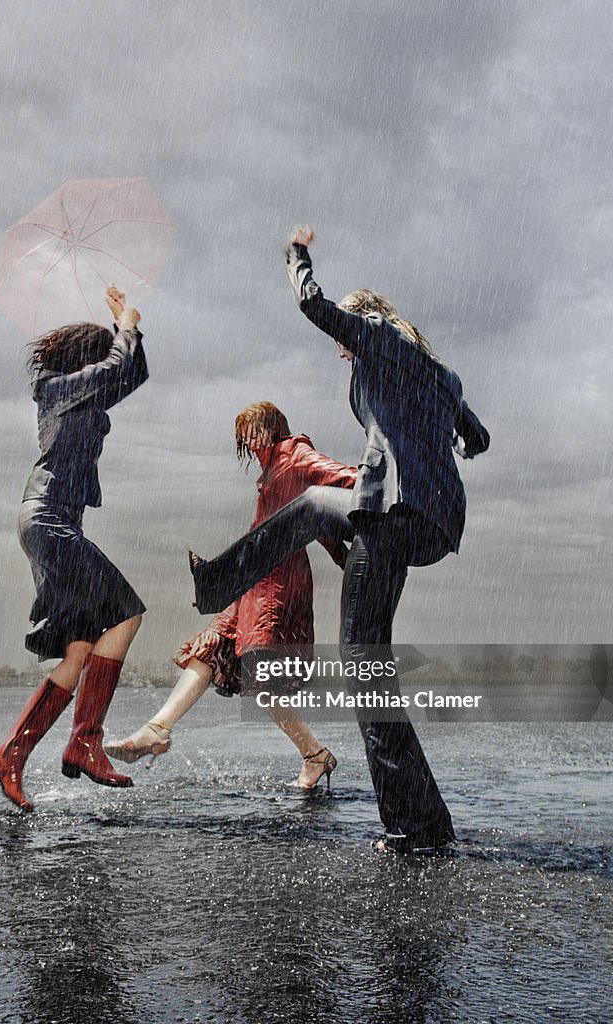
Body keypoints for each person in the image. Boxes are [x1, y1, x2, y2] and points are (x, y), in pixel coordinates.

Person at [190, 228, 489, 853]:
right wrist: (446, 430)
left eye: (348, 339)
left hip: (390, 510)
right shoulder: (443, 375)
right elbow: (478, 436)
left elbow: (312, 305)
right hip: (432, 521)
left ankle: (414, 827)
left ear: (365, 320)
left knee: (364, 670)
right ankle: (424, 823)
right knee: (317, 518)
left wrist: (296, 254)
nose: (343, 352)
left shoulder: (376, 338)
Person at [105, 401, 357, 789]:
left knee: (261, 673)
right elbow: (316, 520)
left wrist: (374, 495)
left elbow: (341, 479)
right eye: (244, 435)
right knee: (209, 649)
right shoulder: (272, 468)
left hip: (280, 582)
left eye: (254, 430)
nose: (249, 440)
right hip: (253, 581)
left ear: (273, 427)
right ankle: (158, 729)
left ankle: (315, 755)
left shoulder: (295, 453)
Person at [0, 286, 147, 812]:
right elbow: (117, 368)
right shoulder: (55, 388)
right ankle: (84, 742)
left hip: (53, 522)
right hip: (50, 520)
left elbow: (131, 373)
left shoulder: (82, 391)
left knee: (79, 649)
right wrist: (126, 325)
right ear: (85, 358)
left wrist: (128, 328)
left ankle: (12, 754)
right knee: (126, 616)